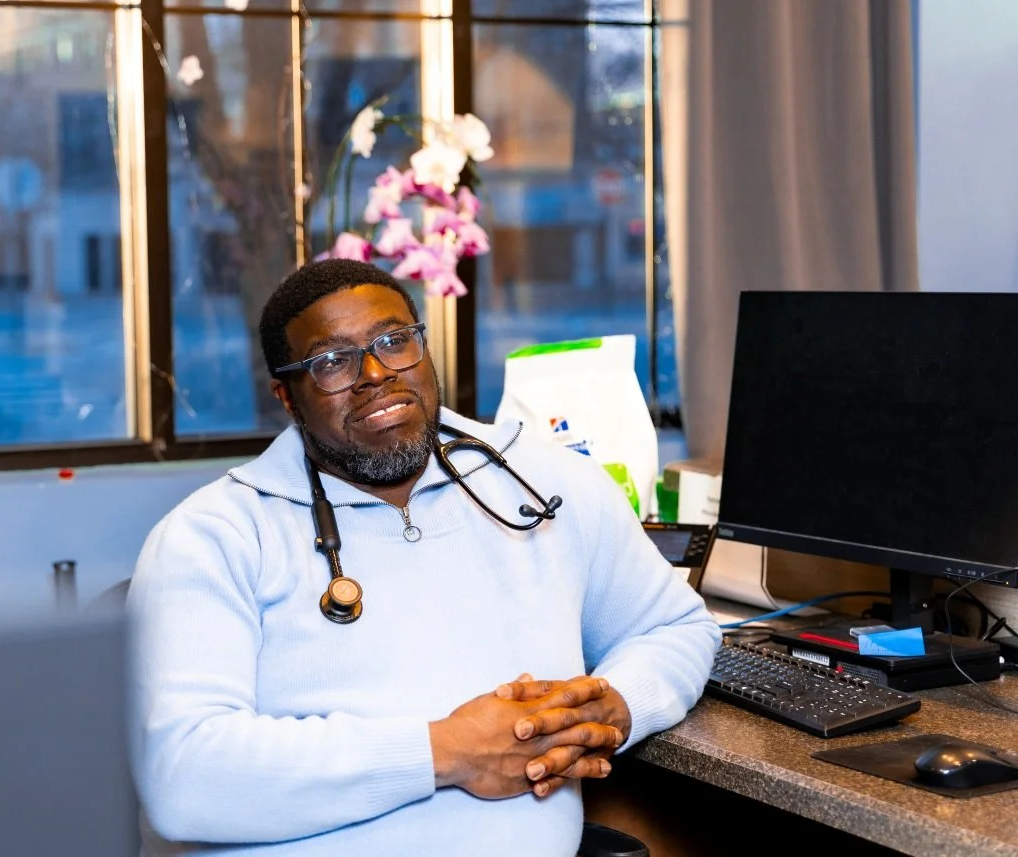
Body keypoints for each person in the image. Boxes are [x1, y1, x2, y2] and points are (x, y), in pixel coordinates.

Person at [128, 259, 720, 857]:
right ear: (287, 396)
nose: (377, 374)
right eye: (331, 362)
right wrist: (448, 751)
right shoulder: (213, 538)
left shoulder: (547, 485)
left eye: (394, 341)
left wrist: (615, 705)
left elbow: (675, 628)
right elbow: (183, 775)